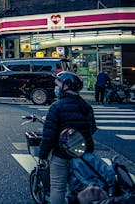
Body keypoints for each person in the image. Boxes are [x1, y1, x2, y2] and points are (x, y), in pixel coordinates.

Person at [39, 71, 97, 204]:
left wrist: (43, 155)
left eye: (58, 85)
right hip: (83, 154)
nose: (56, 88)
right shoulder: (86, 106)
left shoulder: (56, 107)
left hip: (62, 154)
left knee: (58, 187)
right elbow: (92, 129)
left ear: (66, 86)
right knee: (82, 186)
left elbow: (49, 136)